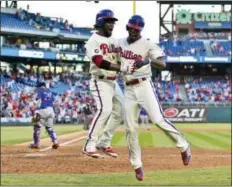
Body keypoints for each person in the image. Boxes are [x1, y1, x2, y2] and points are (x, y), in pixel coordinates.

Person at [96, 15, 191, 181]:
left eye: (136, 29)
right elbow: (107, 55)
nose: (133, 31)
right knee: (130, 128)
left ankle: (183, 146)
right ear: (127, 27)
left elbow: (163, 64)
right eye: (130, 28)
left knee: (158, 119)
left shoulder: (148, 44)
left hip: (144, 85)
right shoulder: (119, 43)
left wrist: (147, 60)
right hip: (129, 89)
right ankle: (137, 165)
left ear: (140, 30)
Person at [82, 9, 134, 158]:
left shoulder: (114, 41)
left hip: (113, 82)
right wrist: (121, 67)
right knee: (105, 110)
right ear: (100, 23)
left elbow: (121, 58)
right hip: (100, 80)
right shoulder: (93, 40)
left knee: (122, 111)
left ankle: (104, 142)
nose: (112, 24)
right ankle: (89, 145)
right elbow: (99, 62)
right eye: (108, 21)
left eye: (113, 22)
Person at [29, 82, 59, 149]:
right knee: (49, 127)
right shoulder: (49, 91)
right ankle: (55, 141)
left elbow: (38, 101)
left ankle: (36, 143)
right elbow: (52, 101)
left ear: (40, 86)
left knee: (36, 126)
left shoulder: (39, 90)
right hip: (51, 110)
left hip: (42, 109)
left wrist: (36, 109)